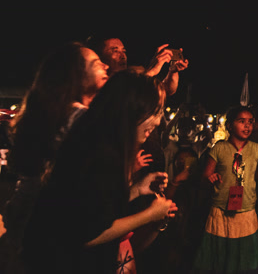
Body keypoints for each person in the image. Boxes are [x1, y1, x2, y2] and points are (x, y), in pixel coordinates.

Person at [22, 71, 178, 273]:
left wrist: (137, 190)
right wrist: (150, 214)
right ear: (130, 109)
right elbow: (88, 234)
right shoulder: (101, 155)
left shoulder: (98, 142)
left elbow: (93, 210)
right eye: (154, 112)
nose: (157, 122)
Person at [0, 42, 109, 272]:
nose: (106, 66)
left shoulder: (52, 115)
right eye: (97, 63)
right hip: (50, 242)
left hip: (24, 235)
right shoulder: (80, 119)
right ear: (76, 75)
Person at [192, 105, 258, 274]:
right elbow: (204, 177)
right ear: (230, 126)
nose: (247, 126)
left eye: (250, 122)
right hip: (220, 213)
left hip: (246, 214)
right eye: (241, 121)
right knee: (219, 259)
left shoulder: (256, 149)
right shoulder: (219, 148)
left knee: (244, 260)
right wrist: (210, 178)